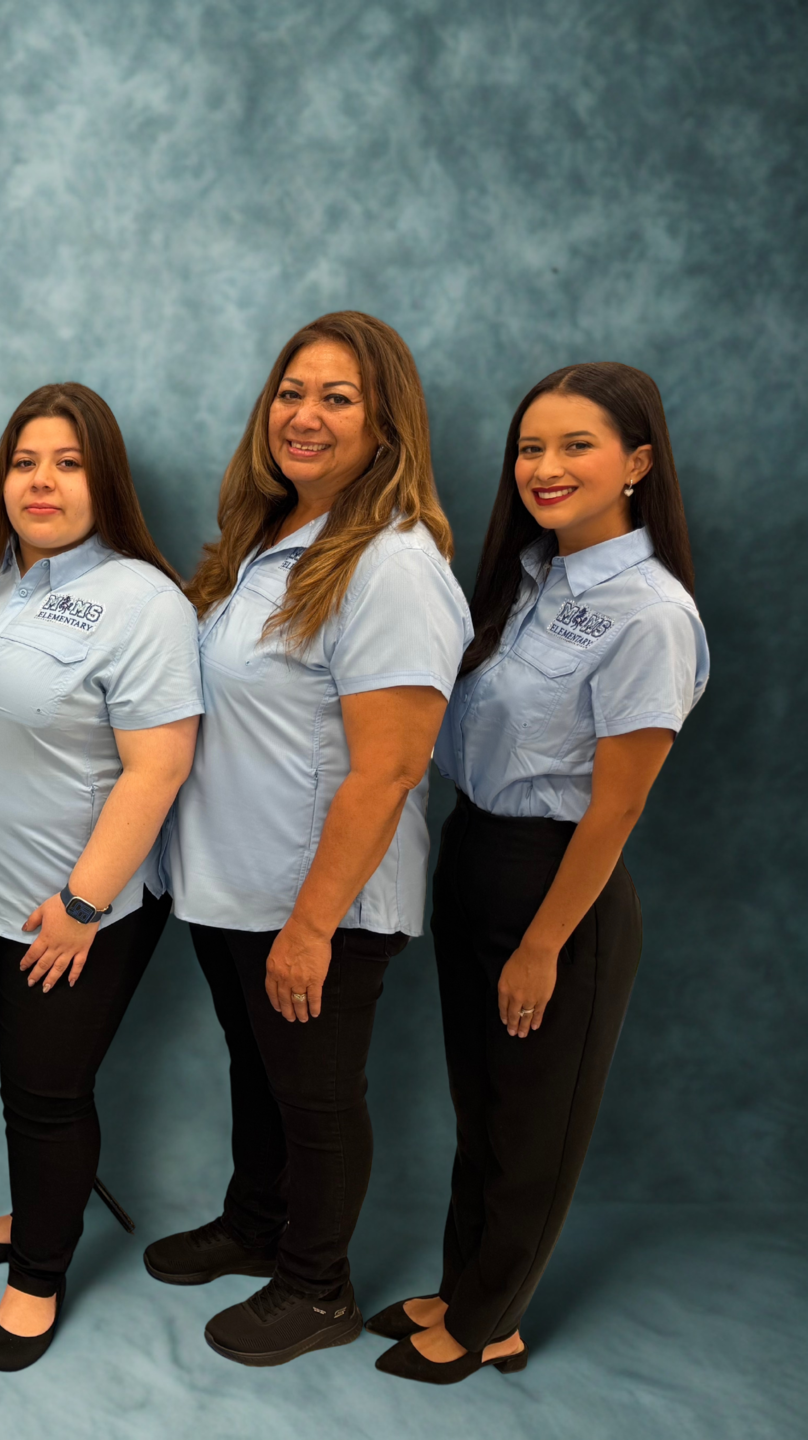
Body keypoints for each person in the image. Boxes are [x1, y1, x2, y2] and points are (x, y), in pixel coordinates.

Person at [368, 363, 708, 1384]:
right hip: (476, 851)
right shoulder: (526, 576)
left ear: (638, 464)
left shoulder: (651, 613)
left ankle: (488, 1323)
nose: (545, 467)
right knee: (482, 1110)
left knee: (533, 1128)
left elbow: (618, 808)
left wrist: (545, 944)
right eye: (530, 447)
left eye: (575, 446)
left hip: (559, 887)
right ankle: (467, 1288)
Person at [153, 311, 472, 1366]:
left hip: (319, 900)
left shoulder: (393, 565)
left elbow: (390, 769)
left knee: (318, 1097)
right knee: (259, 1072)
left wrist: (312, 926)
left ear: (387, 426)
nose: (305, 415)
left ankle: (317, 1284)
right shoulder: (272, 538)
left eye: (338, 398)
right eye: (292, 392)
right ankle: (257, 1224)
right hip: (234, 884)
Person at [0, 382, 202, 1371]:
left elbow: (160, 765)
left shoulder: (144, 603)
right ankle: (43, 1203)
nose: (42, 482)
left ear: (104, 480)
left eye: (69, 464)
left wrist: (84, 903)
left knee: (47, 1092)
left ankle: (38, 1273)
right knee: (27, 1075)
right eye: (25, 462)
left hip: (76, 912)